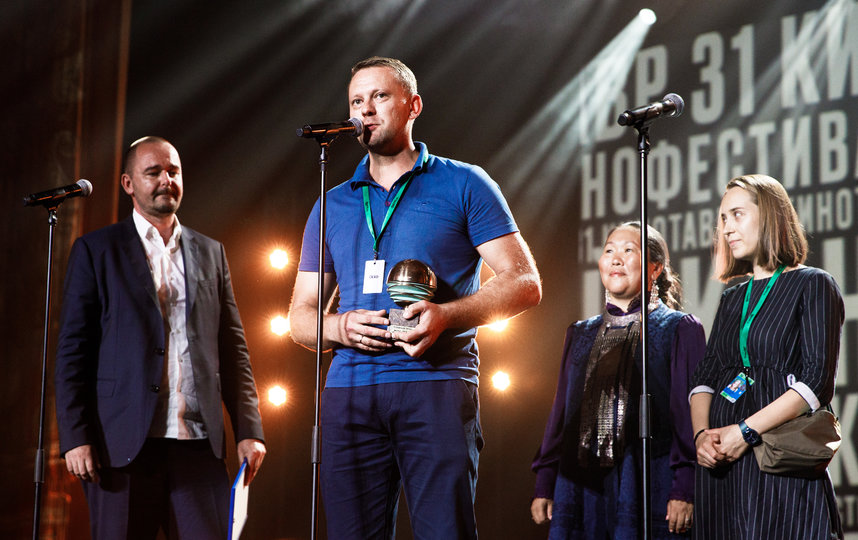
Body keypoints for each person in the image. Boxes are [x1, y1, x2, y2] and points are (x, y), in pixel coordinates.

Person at [289, 56, 542, 539]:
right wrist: (337, 327)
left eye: (379, 97)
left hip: (437, 385)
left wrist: (446, 315)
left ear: (413, 105)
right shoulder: (332, 201)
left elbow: (524, 281)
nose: (365, 110)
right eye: (356, 101)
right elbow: (300, 317)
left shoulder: (464, 182)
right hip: (348, 391)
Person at [55, 136, 267, 539]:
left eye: (173, 171)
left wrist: (249, 429)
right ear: (128, 183)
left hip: (197, 444)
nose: (166, 180)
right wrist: (75, 437)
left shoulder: (211, 252)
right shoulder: (97, 250)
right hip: (121, 448)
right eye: (153, 172)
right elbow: (72, 353)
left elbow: (233, 349)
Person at [690, 174, 844, 539]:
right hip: (721, 470)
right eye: (723, 218)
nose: (727, 227)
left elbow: (816, 383)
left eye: (737, 214)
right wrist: (700, 436)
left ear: (771, 215)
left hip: (777, 467)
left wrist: (745, 432)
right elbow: (705, 377)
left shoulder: (813, 283)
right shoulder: (732, 296)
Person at [531, 222, 704, 539]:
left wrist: (686, 486)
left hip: (650, 478)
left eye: (628, 250)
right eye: (609, 250)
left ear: (655, 269)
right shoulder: (581, 332)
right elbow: (561, 413)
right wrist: (546, 478)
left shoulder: (678, 328)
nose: (615, 258)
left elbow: (688, 414)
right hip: (581, 486)